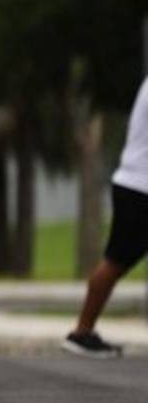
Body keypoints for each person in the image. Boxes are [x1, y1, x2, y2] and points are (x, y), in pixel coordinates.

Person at [65, 76, 148, 357]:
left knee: (116, 262)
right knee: (116, 262)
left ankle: (83, 331)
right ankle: (82, 333)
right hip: (141, 188)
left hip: (134, 184)